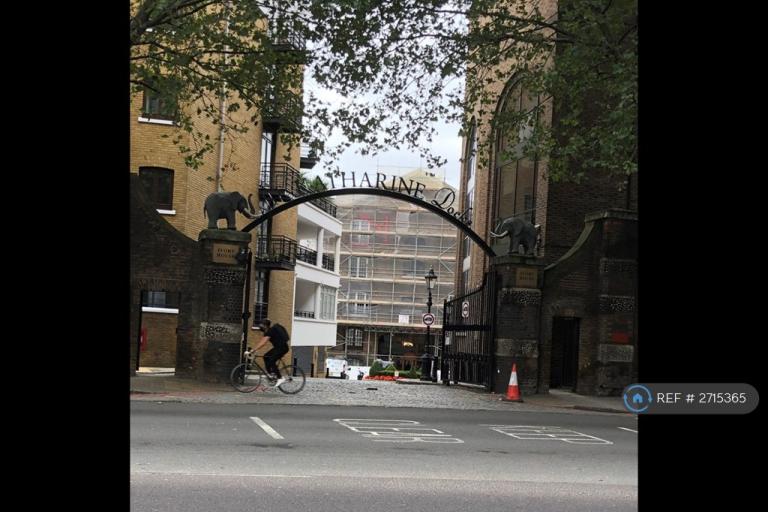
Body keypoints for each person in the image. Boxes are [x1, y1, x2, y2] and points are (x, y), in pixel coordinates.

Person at [252, 319, 290, 387]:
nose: (259, 326)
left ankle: (280, 378)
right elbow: (262, 341)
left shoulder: (271, 331)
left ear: (265, 326)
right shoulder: (267, 332)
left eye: (261, 325)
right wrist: (255, 349)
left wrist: (253, 350)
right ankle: (271, 375)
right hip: (278, 348)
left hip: (283, 348)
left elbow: (263, 343)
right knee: (266, 356)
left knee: (272, 360)